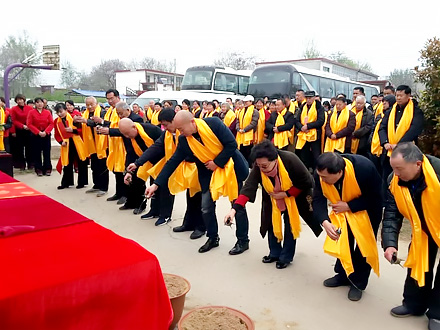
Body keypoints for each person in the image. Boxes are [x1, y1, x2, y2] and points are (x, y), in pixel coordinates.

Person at [145, 111, 250, 254]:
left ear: (192, 122)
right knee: (206, 207)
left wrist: (217, 163)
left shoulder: (214, 123)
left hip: (231, 169)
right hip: (207, 174)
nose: (180, 133)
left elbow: (232, 144)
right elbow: (172, 162)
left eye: (181, 129)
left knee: (237, 207)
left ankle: (243, 241)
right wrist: (155, 184)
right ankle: (213, 238)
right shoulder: (184, 140)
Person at [225, 140, 322, 268]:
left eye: (264, 166)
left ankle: (286, 257)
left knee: (290, 225)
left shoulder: (290, 159)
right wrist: (233, 210)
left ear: (275, 159)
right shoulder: (259, 167)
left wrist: (287, 193)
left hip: (294, 198)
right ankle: (275, 253)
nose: (261, 169)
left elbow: (307, 181)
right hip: (272, 200)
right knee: (270, 223)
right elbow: (248, 187)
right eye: (258, 165)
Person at [382, 143, 440, 330]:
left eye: (399, 169)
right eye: (393, 168)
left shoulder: (438, 172)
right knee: (418, 263)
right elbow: (392, 214)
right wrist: (389, 244)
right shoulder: (394, 180)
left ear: (417, 164)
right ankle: (414, 305)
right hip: (422, 228)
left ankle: (438, 313)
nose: (395, 173)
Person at [313, 152, 383, 301]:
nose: (321, 179)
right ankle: (343, 275)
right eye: (320, 176)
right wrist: (325, 222)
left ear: (339, 172)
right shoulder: (321, 174)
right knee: (343, 240)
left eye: (325, 177)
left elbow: (377, 197)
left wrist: (350, 205)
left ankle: (359, 283)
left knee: (363, 247)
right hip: (342, 210)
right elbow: (317, 199)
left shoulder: (364, 169)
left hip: (367, 210)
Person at [127, 109, 205, 234]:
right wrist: (138, 163)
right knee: (185, 195)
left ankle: (200, 227)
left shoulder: (187, 132)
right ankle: (188, 223)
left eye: (166, 124)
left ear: (174, 121)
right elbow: (155, 147)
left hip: (195, 167)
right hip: (177, 165)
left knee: (197, 198)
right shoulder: (167, 134)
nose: (164, 127)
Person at [97, 100, 145, 209]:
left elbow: (121, 130)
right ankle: (127, 200)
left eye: (121, 113)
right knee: (123, 175)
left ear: (128, 110)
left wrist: (109, 131)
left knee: (137, 179)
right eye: (117, 114)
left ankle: (139, 204)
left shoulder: (136, 119)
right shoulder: (121, 119)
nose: (119, 116)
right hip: (126, 150)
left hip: (136, 152)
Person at [378, 85, 424, 194]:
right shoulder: (390, 111)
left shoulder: (416, 112)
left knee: (405, 178)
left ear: (408, 96)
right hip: (388, 151)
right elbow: (382, 127)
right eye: (397, 95)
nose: (398, 98)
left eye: (401, 95)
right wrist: (385, 142)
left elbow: (414, 129)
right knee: (387, 180)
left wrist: (399, 145)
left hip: (407, 151)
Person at [118, 116, 161, 214]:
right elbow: (130, 153)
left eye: (128, 133)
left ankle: (158, 211)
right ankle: (139, 205)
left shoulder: (151, 130)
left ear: (134, 127)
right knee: (136, 180)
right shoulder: (128, 137)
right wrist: (128, 171)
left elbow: (163, 146)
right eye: (124, 134)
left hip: (158, 160)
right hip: (141, 160)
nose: (127, 136)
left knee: (156, 185)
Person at [73, 96, 109, 196]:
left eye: (91, 104)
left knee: (102, 166)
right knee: (94, 166)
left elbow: (100, 123)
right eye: (87, 105)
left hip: (101, 144)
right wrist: (76, 121)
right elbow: (81, 126)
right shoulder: (85, 113)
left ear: (96, 103)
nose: (89, 106)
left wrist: (86, 121)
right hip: (91, 144)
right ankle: (96, 185)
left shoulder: (102, 112)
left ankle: (103, 187)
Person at [54, 103, 88, 189]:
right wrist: (61, 142)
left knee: (81, 162)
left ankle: (82, 182)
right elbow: (56, 134)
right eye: (58, 112)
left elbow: (82, 130)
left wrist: (72, 130)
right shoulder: (56, 121)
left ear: (66, 110)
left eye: (61, 111)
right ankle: (66, 183)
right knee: (67, 163)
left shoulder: (74, 118)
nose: (60, 114)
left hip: (77, 142)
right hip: (66, 143)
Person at [295, 91, 325, 171]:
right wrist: (302, 127)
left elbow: (321, 121)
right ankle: (305, 170)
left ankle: (317, 171)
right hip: (303, 134)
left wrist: (308, 126)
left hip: (314, 134)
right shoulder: (303, 106)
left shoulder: (319, 107)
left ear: (314, 98)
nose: (308, 100)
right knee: (303, 154)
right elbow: (297, 120)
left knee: (316, 155)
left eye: (310, 98)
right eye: (307, 98)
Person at [27, 97, 54, 176]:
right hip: (36, 135)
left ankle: (48, 168)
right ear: (35, 104)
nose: (39, 104)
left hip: (46, 134)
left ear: (44, 103)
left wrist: (46, 132)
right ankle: (38, 169)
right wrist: (38, 132)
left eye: (41, 102)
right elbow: (29, 124)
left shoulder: (47, 112)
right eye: (37, 102)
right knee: (36, 152)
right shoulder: (31, 112)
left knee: (46, 152)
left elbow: (51, 123)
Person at [369, 94, 395, 175]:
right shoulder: (381, 115)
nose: (383, 105)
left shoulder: (392, 115)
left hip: (385, 146)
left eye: (385, 103)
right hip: (376, 144)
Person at [10, 94, 33, 170]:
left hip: (28, 130)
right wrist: (21, 126)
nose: (19, 101)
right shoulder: (14, 109)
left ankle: (30, 164)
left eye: (21, 99)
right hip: (19, 130)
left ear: (24, 99)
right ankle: (21, 164)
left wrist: (28, 126)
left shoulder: (29, 108)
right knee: (19, 149)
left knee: (29, 148)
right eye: (18, 100)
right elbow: (13, 120)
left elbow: (31, 118)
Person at [236, 95, 259, 166]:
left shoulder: (254, 111)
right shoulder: (241, 111)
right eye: (244, 101)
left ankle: (248, 166)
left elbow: (254, 123)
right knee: (241, 151)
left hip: (249, 135)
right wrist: (238, 128)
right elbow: (238, 120)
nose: (245, 103)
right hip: (240, 134)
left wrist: (245, 130)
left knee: (248, 152)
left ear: (251, 102)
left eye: (247, 101)